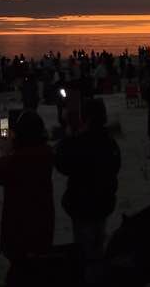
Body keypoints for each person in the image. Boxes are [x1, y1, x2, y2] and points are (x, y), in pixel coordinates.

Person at [55, 98, 121, 284]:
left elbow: (62, 163)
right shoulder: (108, 142)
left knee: (86, 250)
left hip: (83, 204)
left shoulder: (80, 143)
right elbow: (115, 166)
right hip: (103, 202)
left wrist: (70, 136)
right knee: (97, 243)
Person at [0, 111, 55, 286]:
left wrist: (5, 152)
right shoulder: (47, 153)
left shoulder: (15, 159)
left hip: (18, 225)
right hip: (43, 221)